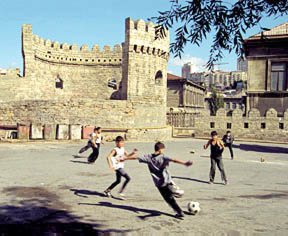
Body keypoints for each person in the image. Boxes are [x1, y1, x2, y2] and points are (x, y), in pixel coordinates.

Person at [120, 141, 193, 218]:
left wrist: (125, 158)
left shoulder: (148, 157)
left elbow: (136, 157)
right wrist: (184, 163)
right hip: (167, 181)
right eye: (163, 149)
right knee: (169, 197)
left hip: (159, 183)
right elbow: (174, 160)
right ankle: (175, 194)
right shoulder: (163, 157)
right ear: (161, 149)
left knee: (168, 199)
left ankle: (178, 208)